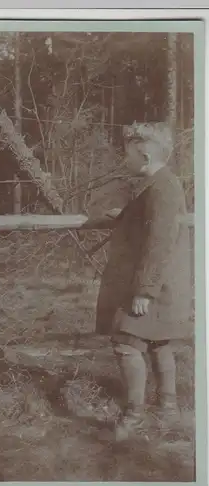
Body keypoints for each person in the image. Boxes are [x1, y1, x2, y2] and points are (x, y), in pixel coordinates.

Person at [95, 121, 193, 441]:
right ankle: (168, 410)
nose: (126, 161)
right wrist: (124, 215)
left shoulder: (163, 187)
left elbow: (160, 241)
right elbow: (148, 221)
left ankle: (134, 415)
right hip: (165, 282)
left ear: (146, 155)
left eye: (129, 155)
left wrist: (145, 290)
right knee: (158, 341)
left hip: (156, 284)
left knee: (126, 341)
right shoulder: (159, 184)